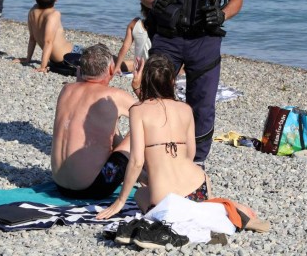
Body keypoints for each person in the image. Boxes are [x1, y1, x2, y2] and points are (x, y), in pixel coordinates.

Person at [96, 55, 267, 232]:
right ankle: (227, 210)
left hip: (165, 198)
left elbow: (137, 161)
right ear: (172, 81)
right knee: (195, 203)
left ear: (145, 80)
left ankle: (208, 211)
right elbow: (190, 155)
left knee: (140, 193)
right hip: (199, 185)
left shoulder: (138, 111)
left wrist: (120, 201)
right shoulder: (186, 109)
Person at [138, 0, 243, 164]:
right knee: (155, 97)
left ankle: (196, 160)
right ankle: (154, 153)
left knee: (202, 104)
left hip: (204, 41)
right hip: (167, 39)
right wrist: (157, 5)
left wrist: (220, 16)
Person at [51, 43, 141, 199]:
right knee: (139, 131)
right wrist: (138, 87)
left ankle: (143, 176)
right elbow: (153, 115)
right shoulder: (115, 95)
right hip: (94, 188)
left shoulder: (66, 90)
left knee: (110, 128)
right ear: (111, 69)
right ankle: (148, 177)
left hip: (60, 185)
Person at [13, 0, 82, 73]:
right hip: (68, 57)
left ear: (36, 0)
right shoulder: (53, 14)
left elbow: (32, 38)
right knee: (94, 54)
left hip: (55, 60)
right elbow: (48, 42)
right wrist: (43, 66)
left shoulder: (32, 11)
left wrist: (28, 59)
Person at [113, 3, 152, 75]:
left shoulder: (134, 23)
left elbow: (125, 47)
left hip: (138, 70)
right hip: (155, 69)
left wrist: (117, 67)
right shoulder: (161, 27)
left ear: (142, 10)